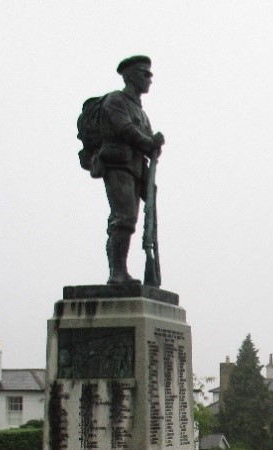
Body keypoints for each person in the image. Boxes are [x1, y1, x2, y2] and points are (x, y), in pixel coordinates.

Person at [98, 55, 165, 285]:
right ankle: (117, 273)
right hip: (118, 164)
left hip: (136, 169)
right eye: (144, 73)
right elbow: (126, 130)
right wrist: (149, 142)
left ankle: (119, 271)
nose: (149, 78)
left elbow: (144, 141)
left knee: (128, 220)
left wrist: (154, 146)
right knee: (123, 218)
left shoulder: (142, 113)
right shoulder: (116, 100)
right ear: (129, 76)